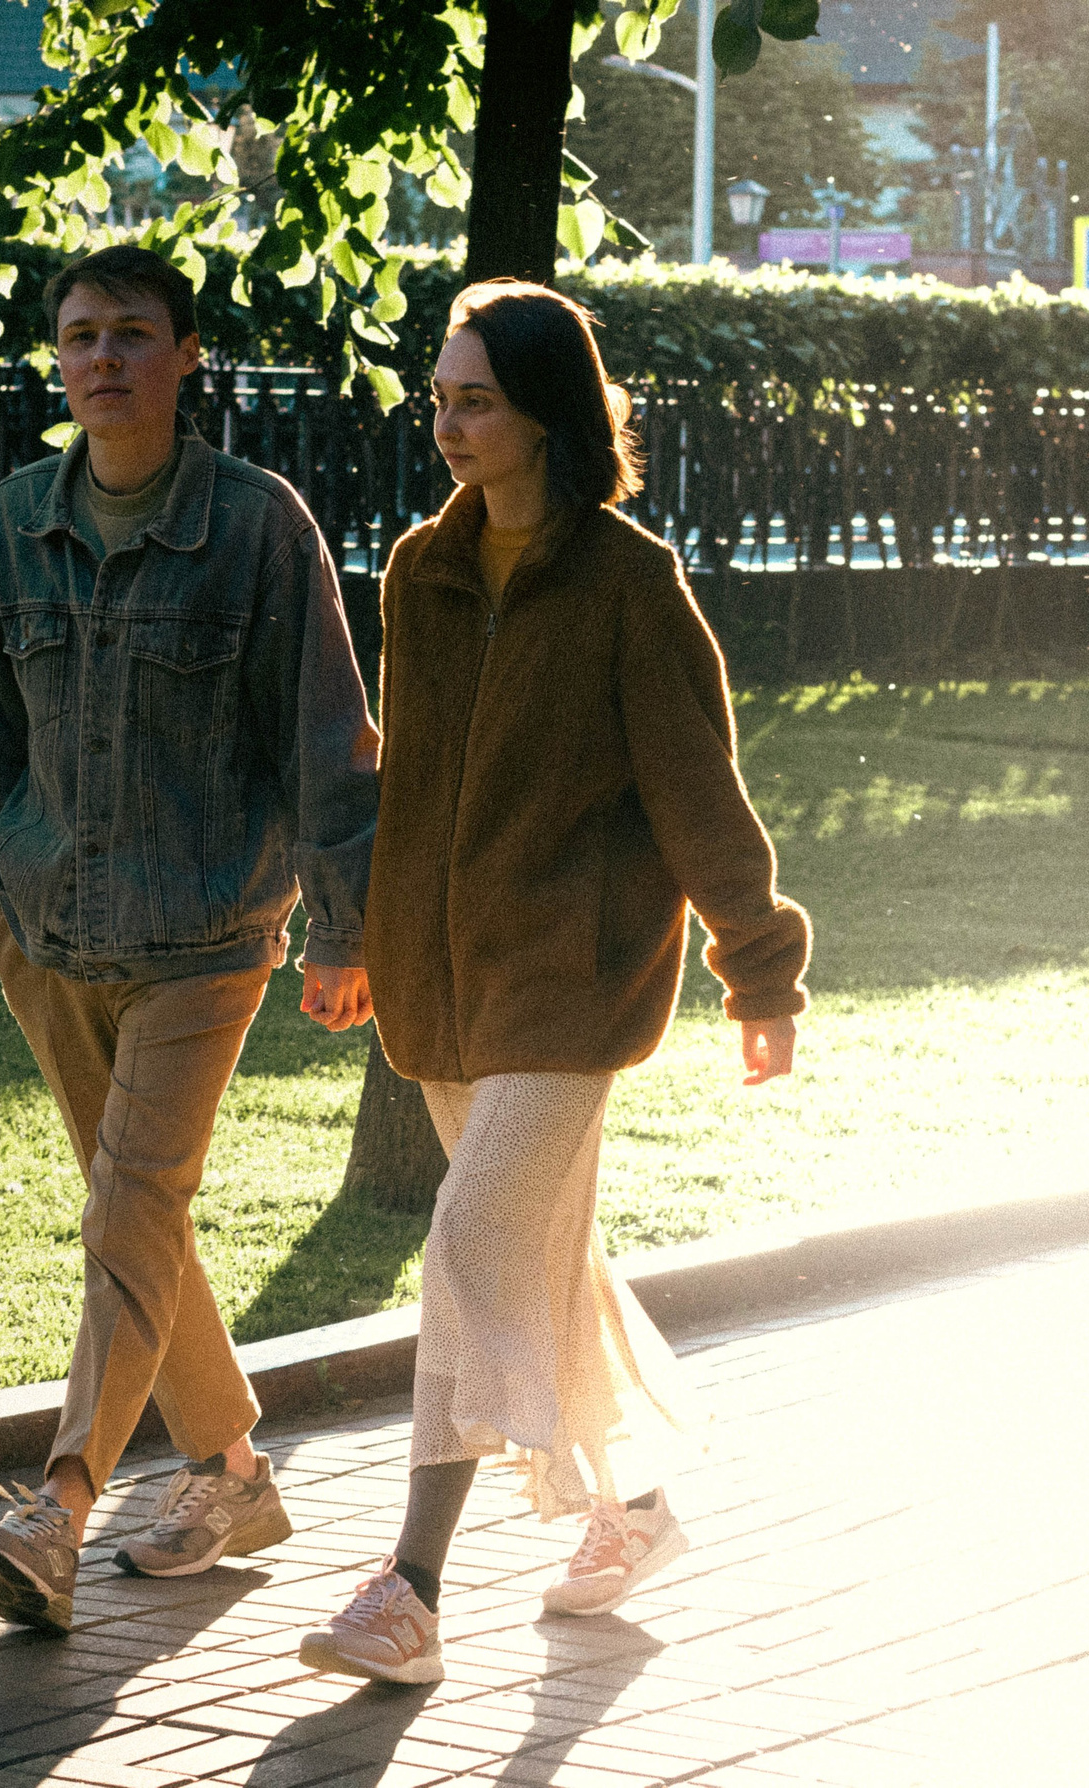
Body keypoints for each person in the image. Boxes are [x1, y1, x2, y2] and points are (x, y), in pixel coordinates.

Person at [298, 281, 812, 1685]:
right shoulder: (420, 569)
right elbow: (408, 778)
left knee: (470, 1246)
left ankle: (410, 1591)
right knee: (538, 1260)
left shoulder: (630, 582)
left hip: (573, 983)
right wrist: (359, 938)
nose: (448, 425)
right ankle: (634, 1508)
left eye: (476, 402)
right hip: (442, 983)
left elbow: (698, 789)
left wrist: (760, 972)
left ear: (547, 415)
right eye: (440, 399)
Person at [0, 245, 381, 1634]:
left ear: (187, 356)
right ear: (57, 359)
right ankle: (233, 1473)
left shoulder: (256, 525)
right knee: (141, 1217)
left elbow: (329, 742)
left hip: (206, 936)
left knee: (127, 1211)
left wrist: (341, 929)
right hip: (48, 931)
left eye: (133, 333)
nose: (104, 358)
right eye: (80, 335)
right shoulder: (13, 522)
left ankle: (56, 1512)